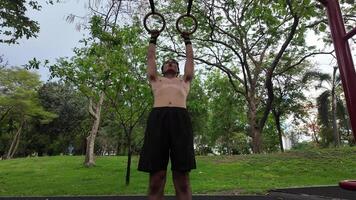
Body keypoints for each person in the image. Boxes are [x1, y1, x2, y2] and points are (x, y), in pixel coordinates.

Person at [138, 30, 196, 200]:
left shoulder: (184, 80)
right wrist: (153, 38)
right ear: (162, 69)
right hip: (158, 120)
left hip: (180, 121)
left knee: (182, 178)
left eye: (173, 63)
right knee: (157, 177)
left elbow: (190, 60)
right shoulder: (156, 80)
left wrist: (187, 39)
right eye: (167, 63)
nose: (170, 63)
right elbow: (150, 58)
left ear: (178, 69)